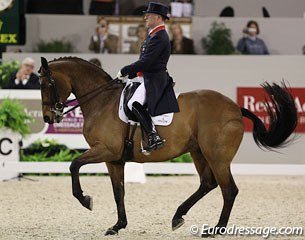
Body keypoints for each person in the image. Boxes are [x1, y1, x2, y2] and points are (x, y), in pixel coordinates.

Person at [117, 2, 179, 152]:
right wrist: (130, 74)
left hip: (155, 79)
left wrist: (125, 70)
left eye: (148, 15)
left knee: (134, 103)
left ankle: (153, 136)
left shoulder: (159, 36)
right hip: (147, 77)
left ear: (158, 17)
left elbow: (146, 62)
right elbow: (145, 63)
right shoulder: (153, 35)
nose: (145, 17)